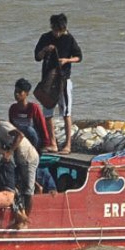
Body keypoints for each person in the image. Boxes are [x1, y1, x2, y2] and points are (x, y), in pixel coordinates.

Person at [0, 107, 39, 228]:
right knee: (20, 187)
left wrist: (10, 151)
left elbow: (20, 135)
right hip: (20, 160)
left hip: (28, 158)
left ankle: (25, 221)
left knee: (28, 190)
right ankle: (20, 217)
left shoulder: (3, 126)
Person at [34, 13, 83, 154]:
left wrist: (67, 60)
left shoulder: (69, 39)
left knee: (66, 113)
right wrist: (45, 50)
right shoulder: (45, 38)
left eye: (59, 30)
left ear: (64, 28)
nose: (56, 33)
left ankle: (68, 145)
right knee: (48, 113)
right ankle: (53, 143)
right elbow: (37, 57)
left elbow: (79, 57)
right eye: (54, 30)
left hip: (64, 80)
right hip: (48, 81)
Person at [8, 78, 49, 150]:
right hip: (19, 140)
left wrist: (45, 144)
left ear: (26, 93)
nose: (16, 94)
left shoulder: (33, 107)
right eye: (15, 91)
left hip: (34, 140)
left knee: (29, 129)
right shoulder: (13, 108)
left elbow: (42, 126)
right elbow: (11, 127)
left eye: (20, 92)